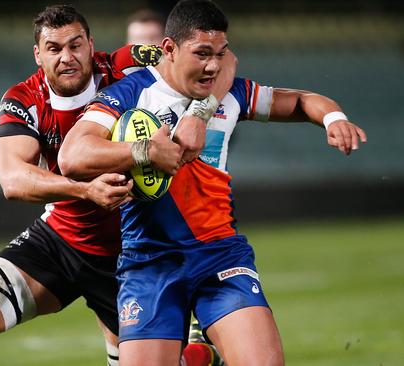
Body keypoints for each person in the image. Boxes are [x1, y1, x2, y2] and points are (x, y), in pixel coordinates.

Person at [0, 5, 234, 366]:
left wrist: (200, 112)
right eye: (54, 49)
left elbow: (224, 60)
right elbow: (12, 179)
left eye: (75, 45)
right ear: (38, 55)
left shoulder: (127, 65)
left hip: (136, 255)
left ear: (91, 44)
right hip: (63, 240)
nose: (67, 57)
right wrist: (85, 191)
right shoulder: (24, 100)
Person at [58, 1, 367, 365]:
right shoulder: (130, 92)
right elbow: (71, 157)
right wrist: (145, 151)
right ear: (169, 49)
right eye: (202, 53)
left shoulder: (229, 92)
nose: (213, 65)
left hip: (219, 254)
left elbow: (300, 100)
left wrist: (333, 118)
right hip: (149, 261)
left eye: (219, 53)